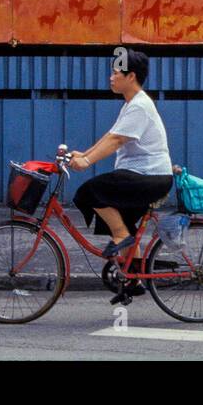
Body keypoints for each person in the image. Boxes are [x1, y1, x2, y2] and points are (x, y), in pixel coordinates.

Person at [69, 49, 174, 266]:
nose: (111, 77)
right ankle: (133, 279)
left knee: (89, 192)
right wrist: (85, 154)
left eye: (116, 73)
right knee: (121, 220)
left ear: (131, 76)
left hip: (149, 176)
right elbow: (111, 135)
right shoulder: (131, 104)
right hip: (144, 175)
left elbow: (116, 140)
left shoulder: (140, 106)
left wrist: (87, 162)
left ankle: (121, 237)